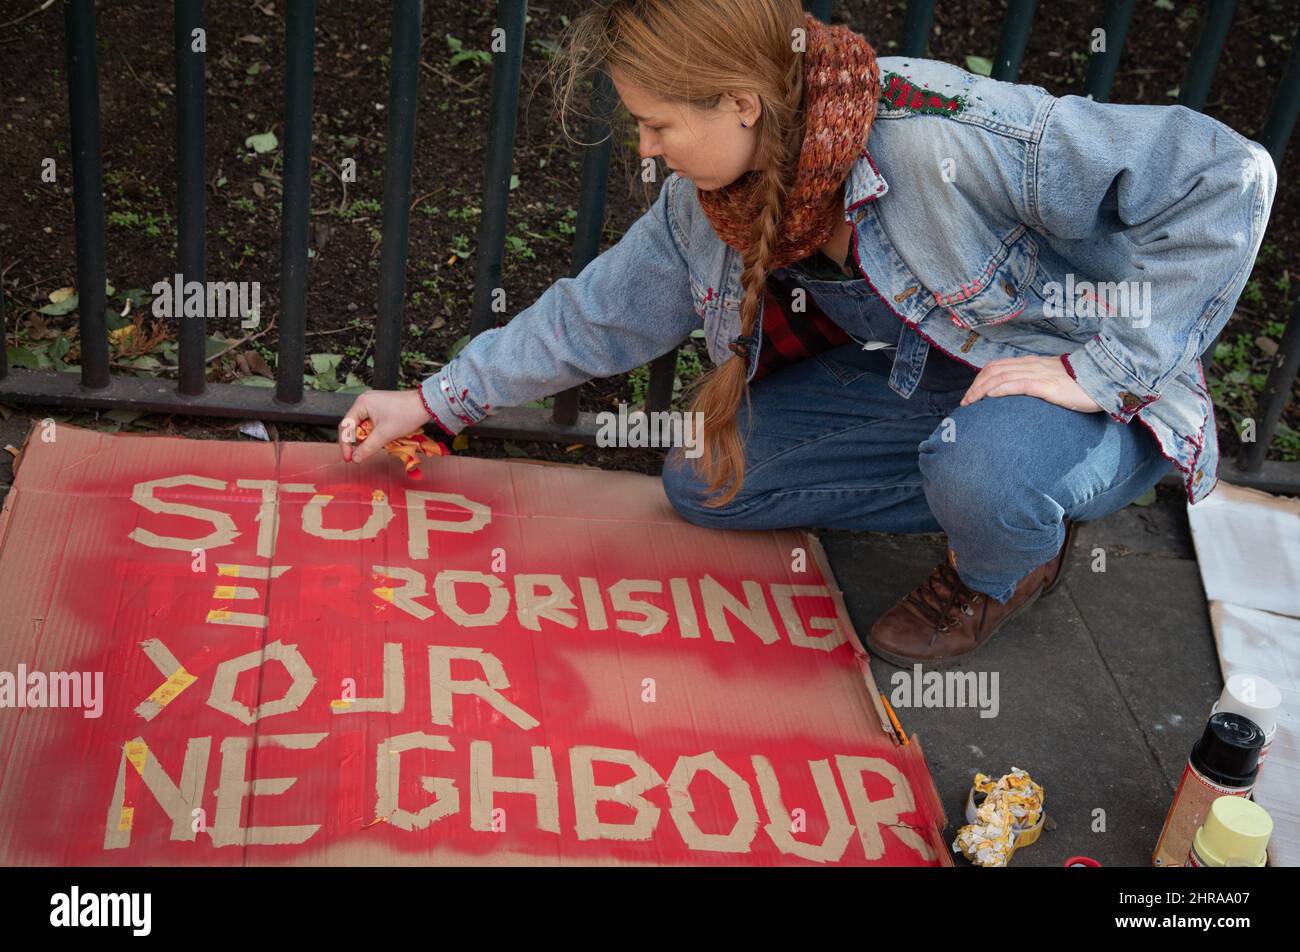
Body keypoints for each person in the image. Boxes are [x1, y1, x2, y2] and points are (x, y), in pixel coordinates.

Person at [338, 0, 1276, 666]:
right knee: (704, 482)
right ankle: (976, 485)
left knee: (987, 472)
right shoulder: (706, 206)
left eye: (657, 123)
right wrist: (431, 402)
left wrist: (1100, 365)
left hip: (1090, 396)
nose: (646, 148)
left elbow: (1229, 177)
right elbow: (597, 313)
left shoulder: (939, 133)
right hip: (933, 384)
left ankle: (1005, 559)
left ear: (741, 103)